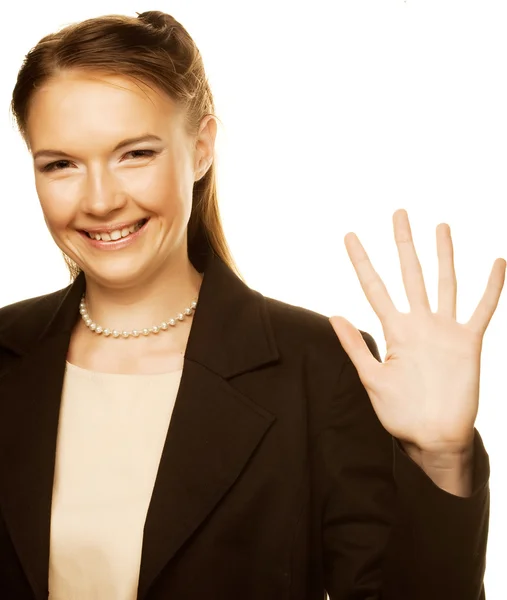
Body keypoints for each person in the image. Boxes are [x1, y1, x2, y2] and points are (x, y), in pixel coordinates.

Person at [0, 9, 504, 600]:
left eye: (135, 154)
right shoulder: (7, 354)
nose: (101, 199)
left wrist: (442, 458)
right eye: (61, 164)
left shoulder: (317, 367)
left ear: (202, 148)